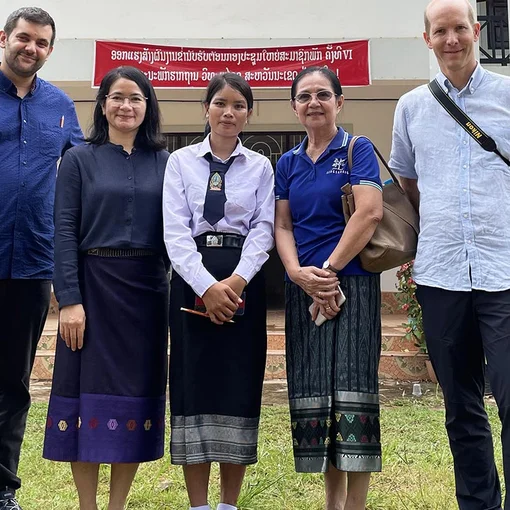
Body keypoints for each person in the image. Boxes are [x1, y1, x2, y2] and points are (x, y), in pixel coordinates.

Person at [389, 0, 510, 508]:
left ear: (476, 30)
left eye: (460, 28)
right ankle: (478, 503)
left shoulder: (508, 95)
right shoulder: (412, 106)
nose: (452, 39)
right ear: (427, 39)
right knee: (461, 407)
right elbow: (407, 181)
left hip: (504, 271)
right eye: (441, 31)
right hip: (441, 277)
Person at [42, 66, 169, 510]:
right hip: (93, 291)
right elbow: (62, 232)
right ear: (102, 104)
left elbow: (177, 234)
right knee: (87, 402)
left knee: (132, 401)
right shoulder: (79, 160)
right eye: (117, 97)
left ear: (148, 105)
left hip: (147, 295)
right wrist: (70, 302)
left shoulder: (166, 162)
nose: (126, 106)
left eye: (136, 98)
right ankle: (88, 506)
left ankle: (117, 505)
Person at [163, 73, 274, 510]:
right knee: (194, 386)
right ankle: (198, 505)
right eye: (220, 104)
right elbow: (174, 234)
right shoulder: (181, 162)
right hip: (193, 279)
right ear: (205, 108)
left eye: (239, 105)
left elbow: (264, 230)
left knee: (237, 384)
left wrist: (236, 282)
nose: (229, 113)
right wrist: (207, 286)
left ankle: (228, 503)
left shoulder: (261, 166)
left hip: (243, 280)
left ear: (249, 113)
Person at [275, 66, 383, 510]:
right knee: (317, 396)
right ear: (295, 107)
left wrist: (328, 271)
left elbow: (369, 213)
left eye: (323, 94)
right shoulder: (287, 161)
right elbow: (281, 224)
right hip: (304, 291)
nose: (313, 102)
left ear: (340, 101)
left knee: (353, 394)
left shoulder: (358, 149)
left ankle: (354, 506)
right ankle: (331, 503)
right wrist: (299, 273)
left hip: (351, 287)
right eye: (304, 96)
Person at [0, 7, 83, 510]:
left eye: (42, 42)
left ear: (50, 49)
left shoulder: (59, 105)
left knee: (13, 383)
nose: (31, 48)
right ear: (4, 38)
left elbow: (81, 170)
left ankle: (3, 487)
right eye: (24, 38)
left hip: (32, 262)